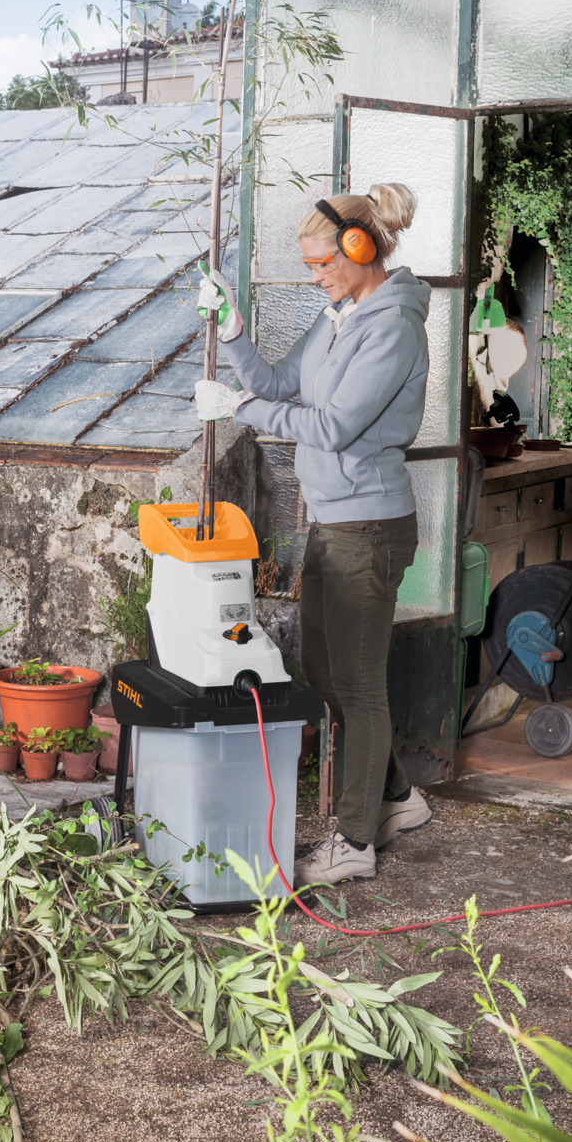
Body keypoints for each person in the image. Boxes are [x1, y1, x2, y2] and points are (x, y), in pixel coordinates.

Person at [194, 184, 433, 885]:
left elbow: (331, 427)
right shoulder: (339, 317)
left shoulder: (391, 326)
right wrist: (235, 336)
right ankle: (397, 800)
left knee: (359, 686)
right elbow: (278, 382)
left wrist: (244, 408)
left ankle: (355, 842)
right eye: (307, 264)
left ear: (362, 248)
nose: (314, 274)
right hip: (335, 519)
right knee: (328, 673)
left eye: (322, 261)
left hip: (371, 523)